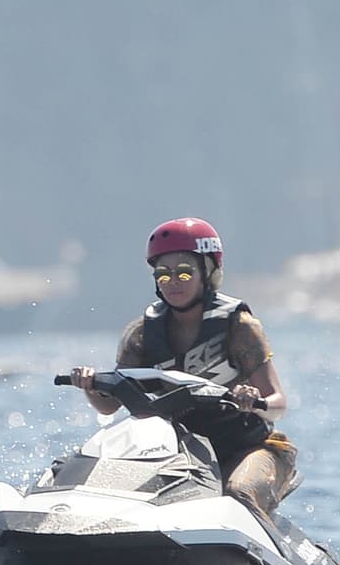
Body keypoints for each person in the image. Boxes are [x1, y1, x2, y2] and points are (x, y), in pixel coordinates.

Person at [69, 217, 298, 520]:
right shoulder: (140, 334)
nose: (173, 282)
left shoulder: (239, 327)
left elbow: (277, 404)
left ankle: (261, 560)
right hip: (181, 455)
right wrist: (90, 385)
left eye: (184, 272)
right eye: (163, 275)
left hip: (248, 449)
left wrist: (253, 401)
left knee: (236, 494)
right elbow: (109, 405)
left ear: (208, 272)